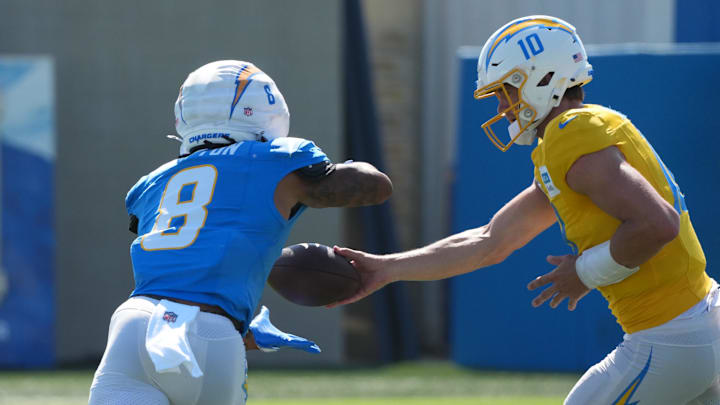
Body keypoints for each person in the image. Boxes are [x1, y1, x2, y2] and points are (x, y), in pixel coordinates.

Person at [331, 16, 720, 405]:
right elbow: (489, 241)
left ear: (542, 79)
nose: (502, 107)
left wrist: (584, 272)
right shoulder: (573, 139)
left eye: (506, 91)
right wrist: (386, 268)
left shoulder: (571, 132)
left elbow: (657, 224)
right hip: (698, 323)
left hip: (670, 337)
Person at [88, 60, 392, 405]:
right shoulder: (280, 158)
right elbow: (376, 187)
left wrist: (241, 326)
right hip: (212, 334)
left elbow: (183, 272)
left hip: (132, 326)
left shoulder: (150, 184)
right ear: (266, 108)